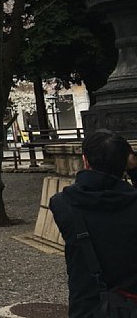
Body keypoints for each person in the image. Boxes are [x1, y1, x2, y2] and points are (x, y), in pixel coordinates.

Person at [49, 129, 137, 317]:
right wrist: (133, 169)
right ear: (125, 164)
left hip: (87, 307)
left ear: (85, 161)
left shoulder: (62, 203)